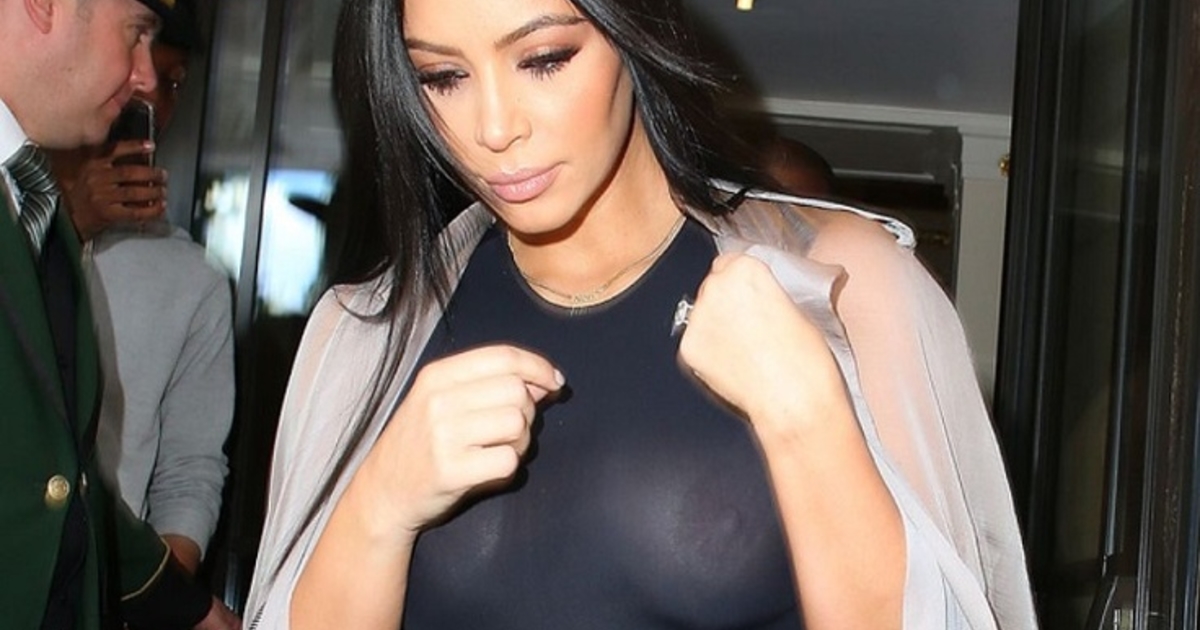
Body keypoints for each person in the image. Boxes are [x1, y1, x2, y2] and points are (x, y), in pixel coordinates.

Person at [246, 0, 1038, 628]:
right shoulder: (367, 333)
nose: (493, 128)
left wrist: (806, 416)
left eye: (544, 59)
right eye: (442, 76)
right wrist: (378, 505)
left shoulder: (844, 284)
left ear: (633, 31)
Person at [0, 0, 238, 627]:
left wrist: (184, 606)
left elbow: (54, 476)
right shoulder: (50, 214)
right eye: (135, 32)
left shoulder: (36, 207)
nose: (146, 79)